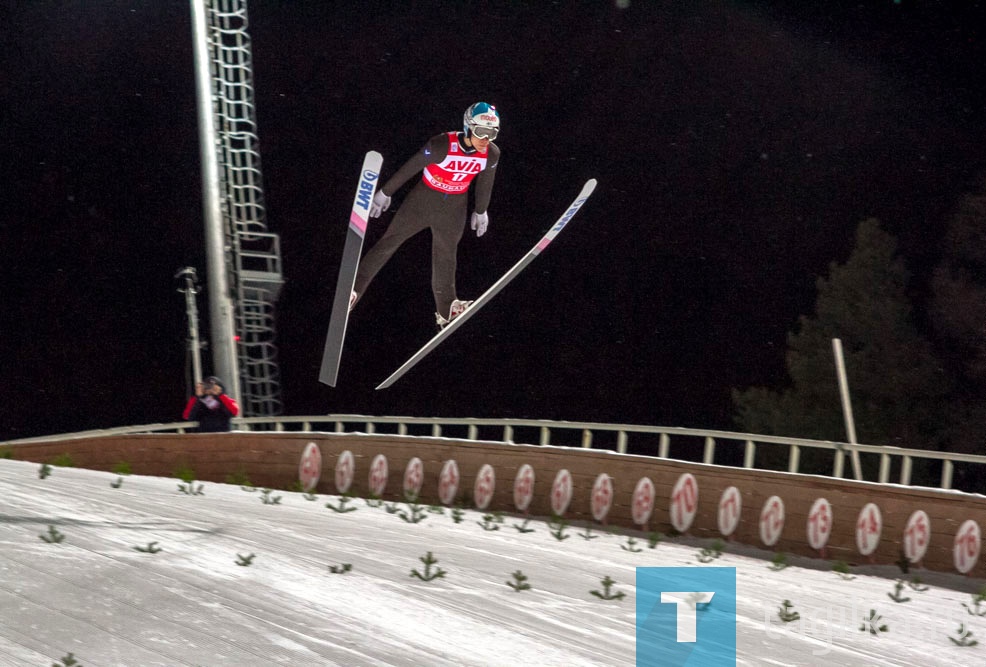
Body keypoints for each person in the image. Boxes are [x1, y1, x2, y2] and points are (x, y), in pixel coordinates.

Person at [351, 101, 501, 327]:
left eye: (492, 134)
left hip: (454, 209)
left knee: (446, 254)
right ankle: (354, 290)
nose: (485, 139)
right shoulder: (441, 145)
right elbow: (412, 166)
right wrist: (385, 192)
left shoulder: (491, 154)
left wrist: (481, 211)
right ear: (468, 127)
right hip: (423, 202)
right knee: (390, 242)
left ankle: (446, 308)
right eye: (481, 132)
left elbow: (485, 183)